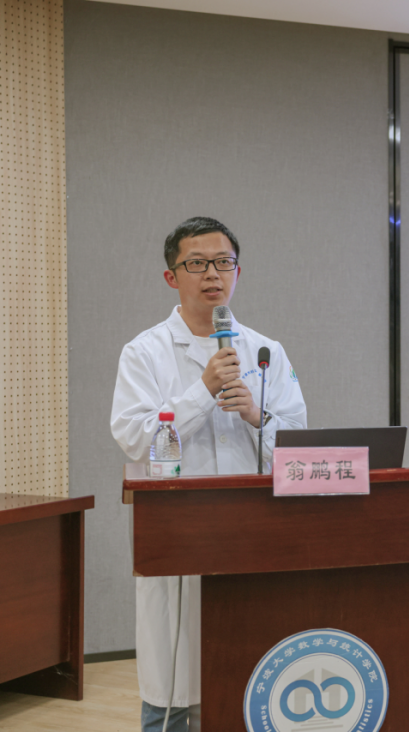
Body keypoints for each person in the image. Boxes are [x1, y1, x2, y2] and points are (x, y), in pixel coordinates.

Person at [110, 217, 307, 731]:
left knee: (249, 672)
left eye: (223, 262)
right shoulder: (144, 352)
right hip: (180, 534)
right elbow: (134, 437)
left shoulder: (266, 351)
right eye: (196, 263)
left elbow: (297, 438)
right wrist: (202, 391)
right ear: (171, 277)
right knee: (175, 679)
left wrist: (256, 415)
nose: (212, 274)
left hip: (251, 532)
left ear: (238, 271)